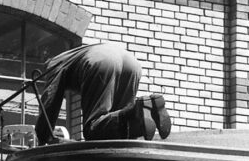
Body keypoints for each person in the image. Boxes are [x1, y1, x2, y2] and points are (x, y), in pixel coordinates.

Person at [34, 43, 171, 145]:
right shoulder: (75, 54)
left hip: (102, 62)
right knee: (119, 129)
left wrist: (41, 138)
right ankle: (144, 110)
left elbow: (49, 102)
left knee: (93, 130)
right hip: (131, 62)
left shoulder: (54, 64)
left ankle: (135, 111)